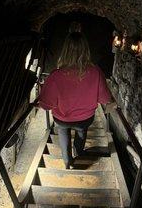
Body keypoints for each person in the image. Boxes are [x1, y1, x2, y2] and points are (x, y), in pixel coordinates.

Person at [38, 31, 115, 169]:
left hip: (62, 118)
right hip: (85, 118)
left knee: (62, 132)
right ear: (86, 49)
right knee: (81, 131)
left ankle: (67, 161)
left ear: (65, 50)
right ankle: (78, 152)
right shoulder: (96, 72)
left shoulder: (56, 76)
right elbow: (104, 99)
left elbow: (46, 104)